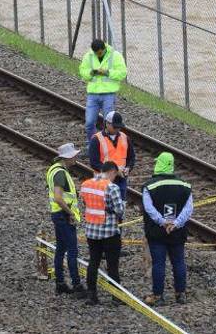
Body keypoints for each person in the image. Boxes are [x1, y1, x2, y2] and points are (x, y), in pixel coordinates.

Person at [141, 152, 193, 306]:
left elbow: (149, 208)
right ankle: (180, 294)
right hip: (178, 231)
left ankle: (158, 296)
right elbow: (189, 209)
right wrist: (176, 223)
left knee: (158, 263)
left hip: (157, 232)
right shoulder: (185, 186)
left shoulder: (149, 186)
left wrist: (163, 222)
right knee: (178, 262)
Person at [79, 161, 125, 305]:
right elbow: (120, 210)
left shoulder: (86, 184)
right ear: (112, 172)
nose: (115, 178)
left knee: (93, 261)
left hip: (91, 230)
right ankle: (116, 296)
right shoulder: (112, 187)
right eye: (115, 175)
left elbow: (85, 203)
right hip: (109, 231)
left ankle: (92, 295)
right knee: (112, 265)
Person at [46, 143, 85, 296]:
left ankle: (60, 283)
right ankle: (76, 285)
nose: (76, 157)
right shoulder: (60, 173)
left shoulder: (53, 170)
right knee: (72, 250)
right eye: (74, 155)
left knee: (61, 249)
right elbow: (58, 197)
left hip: (58, 215)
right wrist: (70, 213)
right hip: (63, 215)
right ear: (67, 157)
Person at [78, 39, 126, 161]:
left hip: (108, 94)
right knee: (89, 123)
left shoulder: (115, 55)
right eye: (96, 53)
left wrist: (107, 73)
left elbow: (122, 73)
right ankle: (93, 146)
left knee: (108, 123)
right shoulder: (89, 56)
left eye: (100, 53)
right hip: (93, 94)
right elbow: (83, 72)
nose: (98, 55)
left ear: (104, 48)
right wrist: (91, 73)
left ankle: (108, 148)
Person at [90, 111, 134, 201]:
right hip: (102, 180)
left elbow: (131, 157)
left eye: (119, 127)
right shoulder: (96, 139)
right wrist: (113, 172)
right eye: (115, 127)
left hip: (121, 180)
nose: (117, 129)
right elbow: (94, 163)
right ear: (107, 124)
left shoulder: (125, 138)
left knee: (120, 207)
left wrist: (129, 168)